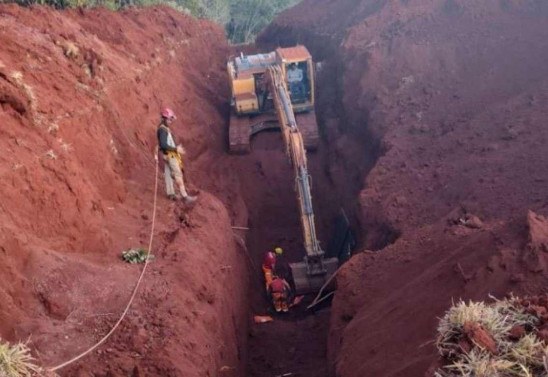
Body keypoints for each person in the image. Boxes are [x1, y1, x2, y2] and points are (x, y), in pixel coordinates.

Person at [156, 108, 197, 203]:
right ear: (164, 118)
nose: (171, 121)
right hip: (171, 156)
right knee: (178, 174)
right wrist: (176, 149)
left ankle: (171, 194)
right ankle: (185, 196)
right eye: (170, 119)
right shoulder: (163, 130)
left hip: (167, 155)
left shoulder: (163, 128)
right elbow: (163, 145)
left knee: (168, 175)